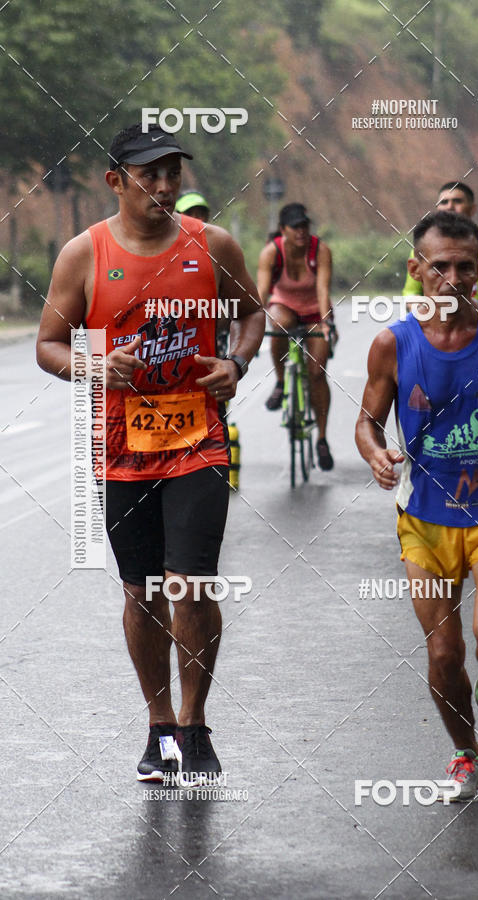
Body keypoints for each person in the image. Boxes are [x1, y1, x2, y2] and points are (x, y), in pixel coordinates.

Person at [36, 123, 265, 785]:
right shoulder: (84, 255)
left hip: (198, 441)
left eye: (173, 173)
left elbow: (251, 314)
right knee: (141, 593)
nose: (164, 186)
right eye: (149, 174)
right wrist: (93, 364)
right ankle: (158, 723)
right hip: (122, 451)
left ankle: (195, 725)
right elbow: (49, 344)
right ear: (116, 181)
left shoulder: (212, 245)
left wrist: (238, 361)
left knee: (192, 583)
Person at [356, 211, 478, 801]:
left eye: (463, 267)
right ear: (416, 270)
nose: (451, 279)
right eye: (437, 267)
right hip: (423, 516)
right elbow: (367, 423)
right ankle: (465, 754)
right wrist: (374, 453)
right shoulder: (393, 343)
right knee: (444, 652)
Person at [257, 202, 335, 470]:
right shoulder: (271, 252)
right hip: (285, 306)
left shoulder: (321, 251)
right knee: (277, 325)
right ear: (283, 230)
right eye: (295, 227)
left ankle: (322, 439)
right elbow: (263, 294)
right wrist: (254, 323)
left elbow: (323, 290)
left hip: (315, 310)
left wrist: (326, 324)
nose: (301, 231)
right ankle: (280, 382)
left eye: (305, 225)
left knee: (316, 373)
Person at [403, 181, 478, 312]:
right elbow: (410, 292)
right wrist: (427, 313)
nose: (450, 206)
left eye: (457, 201)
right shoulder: (425, 245)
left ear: (472, 208)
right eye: (444, 202)